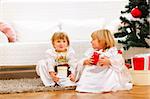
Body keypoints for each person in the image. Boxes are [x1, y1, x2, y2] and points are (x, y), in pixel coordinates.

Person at [75, 29, 132, 93]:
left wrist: (109, 61)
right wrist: (85, 61)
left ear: (102, 41)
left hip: (106, 76)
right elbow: (81, 61)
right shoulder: (91, 52)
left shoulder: (111, 52)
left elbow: (119, 61)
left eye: (93, 40)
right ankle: (88, 86)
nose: (91, 42)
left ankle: (105, 86)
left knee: (111, 73)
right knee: (87, 72)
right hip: (92, 74)